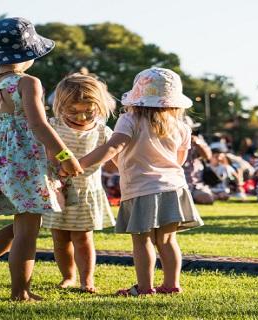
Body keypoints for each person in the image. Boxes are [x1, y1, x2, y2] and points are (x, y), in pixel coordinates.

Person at [0, 17, 83, 302]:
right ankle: (20, 291)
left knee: (23, 223)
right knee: (28, 229)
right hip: (22, 161)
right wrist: (65, 155)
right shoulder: (28, 82)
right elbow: (39, 125)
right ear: (28, 54)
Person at [77, 67, 204, 296]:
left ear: (137, 96)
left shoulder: (130, 119)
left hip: (141, 189)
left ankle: (144, 288)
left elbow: (114, 147)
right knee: (167, 240)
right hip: (174, 188)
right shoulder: (181, 127)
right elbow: (179, 160)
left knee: (142, 240)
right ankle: (171, 285)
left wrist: (80, 164)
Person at [41, 73, 116, 293]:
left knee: (83, 238)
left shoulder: (103, 132)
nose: (81, 117)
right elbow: (45, 152)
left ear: (99, 107)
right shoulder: (52, 126)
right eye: (73, 111)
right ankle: (68, 276)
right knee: (60, 238)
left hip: (86, 192)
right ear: (60, 105)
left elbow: (114, 160)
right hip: (58, 191)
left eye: (88, 111)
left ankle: (87, 280)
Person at [183, 116, 214, 204]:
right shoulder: (170, 139)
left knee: (207, 198)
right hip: (177, 183)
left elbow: (208, 156)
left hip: (195, 184)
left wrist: (197, 143)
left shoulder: (197, 139)